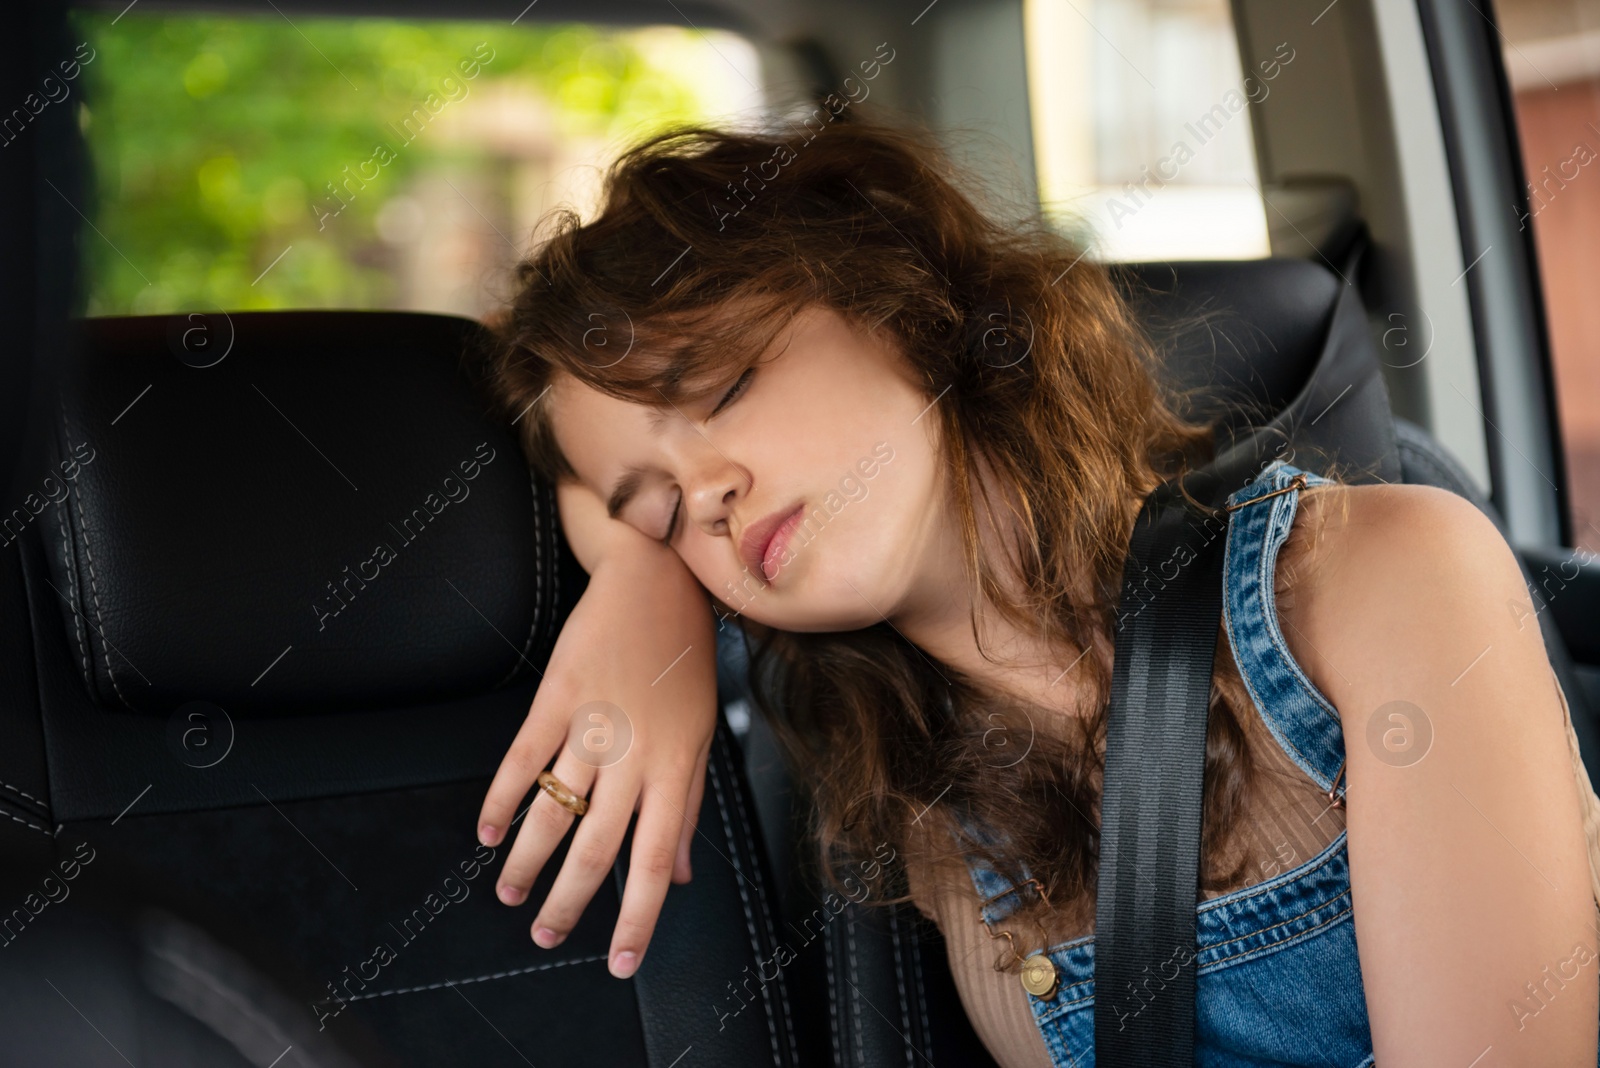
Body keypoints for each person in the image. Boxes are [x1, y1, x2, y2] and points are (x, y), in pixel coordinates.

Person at [471, 115, 1600, 1065]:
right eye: (664, 511)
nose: (704, 497)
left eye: (718, 387)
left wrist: (643, 546)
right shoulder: (917, 810)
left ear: (893, 296)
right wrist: (635, 575)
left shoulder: (1379, 578)